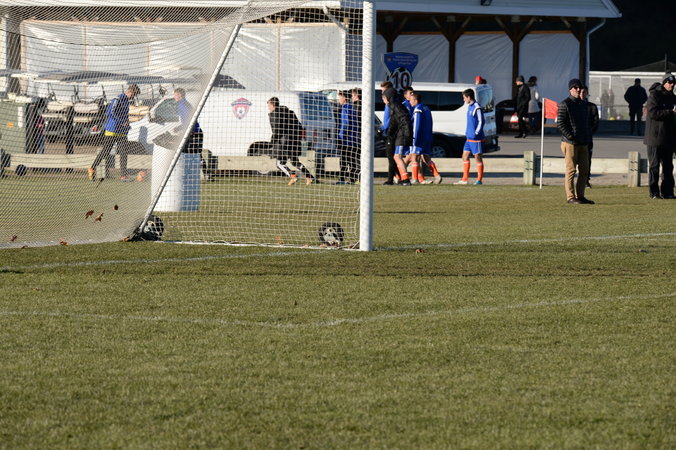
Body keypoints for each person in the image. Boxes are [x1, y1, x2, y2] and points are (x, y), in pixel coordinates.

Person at [89, 84, 140, 181]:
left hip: (122, 132)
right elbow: (110, 113)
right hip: (112, 130)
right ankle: (92, 168)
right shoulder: (117, 99)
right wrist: (121, 122)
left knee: (124, 153)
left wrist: (127, 124)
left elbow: (124, 115)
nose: (133, 97)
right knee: (106, 151)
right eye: (133, 95)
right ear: (130, 92)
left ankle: (123, 176)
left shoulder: (127, 101)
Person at [557, 78, 593, 204]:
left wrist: (587, 138)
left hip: (583, 142)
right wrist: (571, 136)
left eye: (579, 87)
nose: (578, 90)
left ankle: (581, 196)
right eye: (575, 88)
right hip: (570, 143)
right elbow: (560, 123)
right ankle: (570, 197)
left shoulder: (583, 104)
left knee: (584, 170)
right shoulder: (565, 104)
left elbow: (586, 123)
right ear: (570, 90)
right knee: (571, 170)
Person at [267, 96, 315, 186]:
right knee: (295, 161)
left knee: (279, 163)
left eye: (269, 106)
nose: (268, 108)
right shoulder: (290, 112)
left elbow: (276, 131)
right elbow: (299, 126)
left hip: (284, 143)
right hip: (295, 141)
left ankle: (293, 176)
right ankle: (309, 177)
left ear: (273, 105)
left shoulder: (274, 114)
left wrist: (272, 143)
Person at [643, 73, 675, 199]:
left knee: (668, 167)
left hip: (668, 138)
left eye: (674, 83)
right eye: (669, 82)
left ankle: (668, 192)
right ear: (664, 83)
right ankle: (654, 193)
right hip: (654, 138)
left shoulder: (673, 97)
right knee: (654, 166)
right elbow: (652, 113)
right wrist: (670, 112)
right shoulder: (654, 95)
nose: (672, 85)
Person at [409, 92, 442, 184]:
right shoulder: (426, 108)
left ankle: (415, 179)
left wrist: (414, 138)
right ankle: (437, 176)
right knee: (426, 157)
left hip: (419, 137)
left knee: (414, 157)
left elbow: (417, 125)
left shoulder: (417, 109)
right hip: (427, 137)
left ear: (415, 100)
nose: (410, 102)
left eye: (411, 100)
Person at [382, 86, 413, 186]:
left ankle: (406, 179)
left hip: (402, 134)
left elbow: (405, 118)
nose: (383, 99)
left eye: (384, 97)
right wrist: (390, 132)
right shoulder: (393, 106)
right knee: (397, 157)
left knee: (397, 157)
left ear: (388, 97)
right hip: (400, 134)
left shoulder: (395, 105)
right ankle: (403, 178)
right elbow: (394, 122)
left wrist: (406, 133)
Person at [455, 88, 485, 185]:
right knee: (464, 156)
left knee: (478, 158)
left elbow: (481, 121)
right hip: (469, 138)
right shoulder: (469, 107)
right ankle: (464, 179)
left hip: (476, 138)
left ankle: (479, 180)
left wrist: (476, 133)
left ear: (468, 97)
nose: (463, 100)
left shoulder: (477, 107)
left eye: (464, 97)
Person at [173, 87, 204, 182]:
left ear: (180, 95)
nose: (174, 97)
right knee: (195, 154)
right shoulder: (183, 104)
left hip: (193, 133)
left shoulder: (183, 105)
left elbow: (188, 120)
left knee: (187, 154)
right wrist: (179, 128)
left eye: (175, 95)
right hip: (194, 132)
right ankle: (206, 174)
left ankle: (187, 174)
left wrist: (188, 129)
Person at [380, 80, 401, 185]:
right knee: (393, 156)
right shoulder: (391, 104)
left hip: (391, 133)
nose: (382, 93)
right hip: (391, 132)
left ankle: (390, 180)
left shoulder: (390, 105)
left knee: (391, 157)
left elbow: (389, 121)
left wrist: (383, 128)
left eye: (383, 91)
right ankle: (401, 177)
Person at [336, 90, 359, 184]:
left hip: (346, 140)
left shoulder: (345, 108)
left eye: (340, 97)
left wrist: (340, 136)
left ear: (344, 98)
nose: (339, 99)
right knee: (352, 160)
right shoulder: (352, 108)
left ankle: (342, 179)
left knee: (344, 160)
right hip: (354, 140)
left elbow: (345, 124)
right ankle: (353, 179)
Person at [580, 85, 600, 188]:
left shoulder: (592, 107)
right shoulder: (573, 106)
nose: (582, 94)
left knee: (587, 160)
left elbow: (595, 122)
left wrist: (588, 133)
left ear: (587, 93)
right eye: (580, 92)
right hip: (575, 139)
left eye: (584, 92)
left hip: (587, 139)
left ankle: (586, 180)